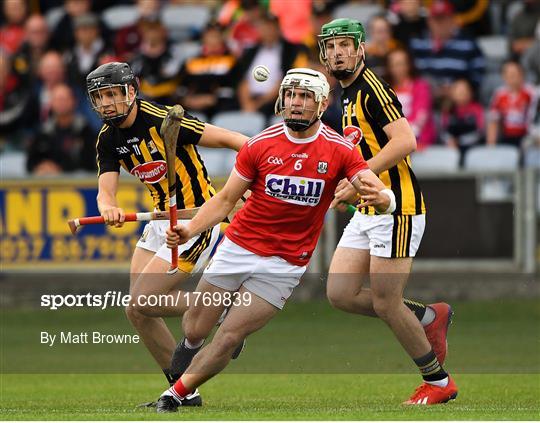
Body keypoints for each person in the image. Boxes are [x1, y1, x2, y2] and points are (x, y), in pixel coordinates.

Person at [155, 68, 396, 412]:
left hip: (285, 263)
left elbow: (377, 190)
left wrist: (385, 201)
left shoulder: (340, 150)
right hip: (238, 246)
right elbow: (224, 201)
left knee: (229, 337)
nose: (296, 103)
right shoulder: (259, 145)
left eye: (305, 96)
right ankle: (194, 351)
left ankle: (176, 394)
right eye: (291, 95)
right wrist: (190, 230)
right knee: (194, 327)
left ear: (322, 103)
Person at [87, 61, 248, 405]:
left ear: (132, 92)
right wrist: (108, 209)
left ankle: (223, 310)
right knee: (137, 310)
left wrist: (253, 180)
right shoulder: (108, 138)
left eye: (113, 94)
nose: (107, 104)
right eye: (100, 97)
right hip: (160, 219)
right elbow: (106, 192)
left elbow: (236, 139)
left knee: (142, 299)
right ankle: (182, 390)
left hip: (197, 220)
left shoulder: (163, 119)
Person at [317, 18, 457, 405]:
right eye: (331, 47)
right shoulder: (343, 93)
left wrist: (360, 175)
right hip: (368, 208)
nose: (337, 52)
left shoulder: (371, 88)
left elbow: (405, 140)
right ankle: (429, 317)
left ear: (360, 49)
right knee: (340, 294)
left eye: (345, 45)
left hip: (398, 206)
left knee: (385, 302)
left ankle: (439, 382)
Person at [384, 48, 436, 150]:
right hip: (392, 140)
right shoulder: (385, 89)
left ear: (408, 65)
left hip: (418, 140)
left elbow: (421, 117)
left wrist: (399, 135)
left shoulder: (420, 86)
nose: (398, 68)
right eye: (394, 64)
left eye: (401, 64)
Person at [487, 60, 536, 148]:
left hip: (529, 135)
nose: (512, 77)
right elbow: (493, 119)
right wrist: (491, 146)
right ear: (503, 76)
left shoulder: (532, 93)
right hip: (506, 136)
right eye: (509, 74)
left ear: (522, 75)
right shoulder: (499, 94)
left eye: (515, 73)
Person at [440, 78, 485, 164]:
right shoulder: (447, 110)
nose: (462, 92)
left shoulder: (477, 109)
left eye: (465, 89)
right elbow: (443, 131)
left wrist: (459, 141)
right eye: (458, 89)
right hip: (450, 148)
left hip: (472, 149)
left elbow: (479, 133)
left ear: (471, 93)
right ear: (452, 92)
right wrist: (449, 140)